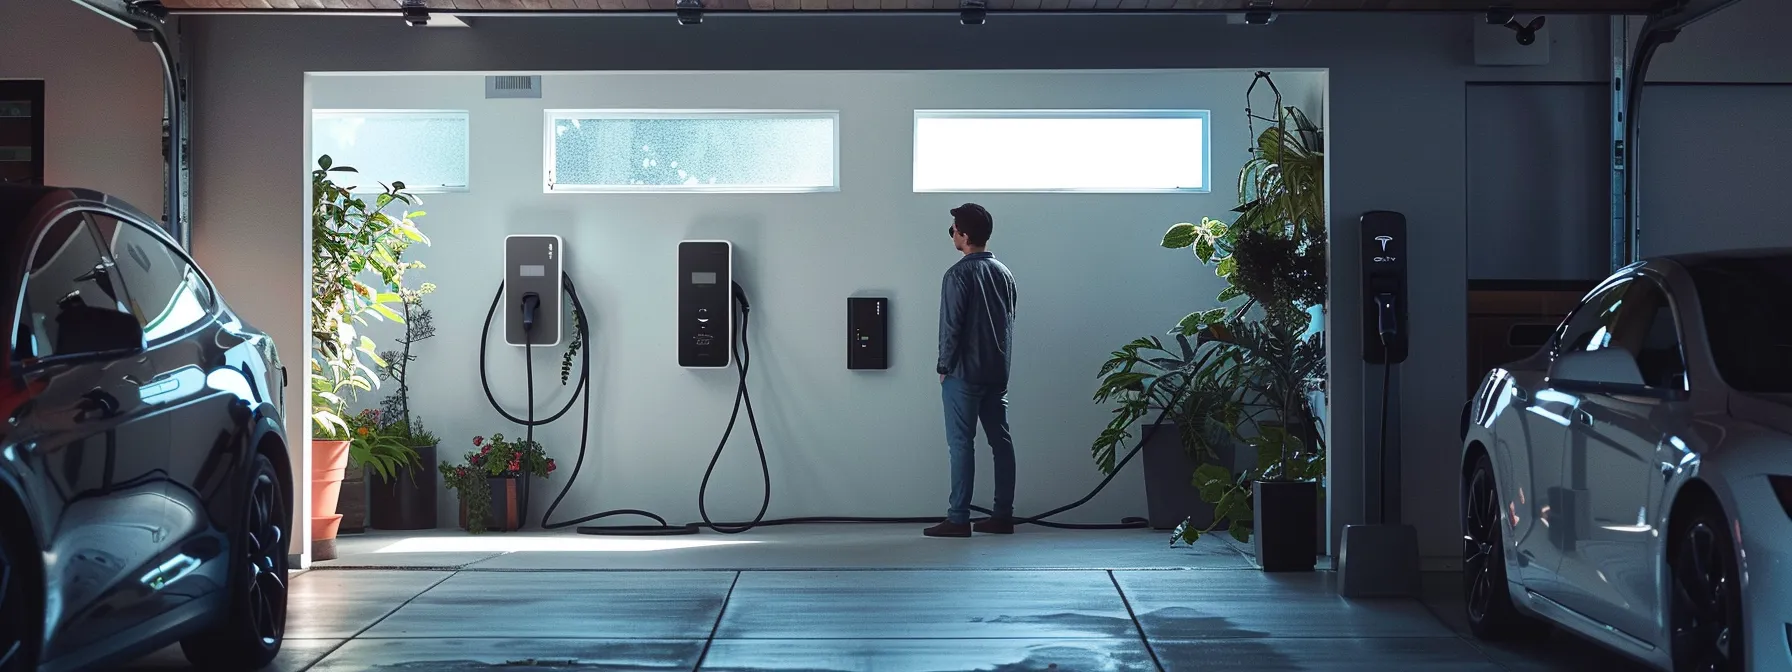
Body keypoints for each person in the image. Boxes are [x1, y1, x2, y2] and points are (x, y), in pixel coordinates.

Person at [924, 203, 1019, 539]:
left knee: (961, 445)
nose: (951, 234)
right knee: (1001, 442)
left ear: (964, 235)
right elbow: (1009, 322)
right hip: (997, 372)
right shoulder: (1004, 273)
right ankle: (1003, 515)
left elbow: (951, 326)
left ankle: (958, 518)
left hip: (964, 373)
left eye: (953, 229)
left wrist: (943, 366)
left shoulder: (957, 274)